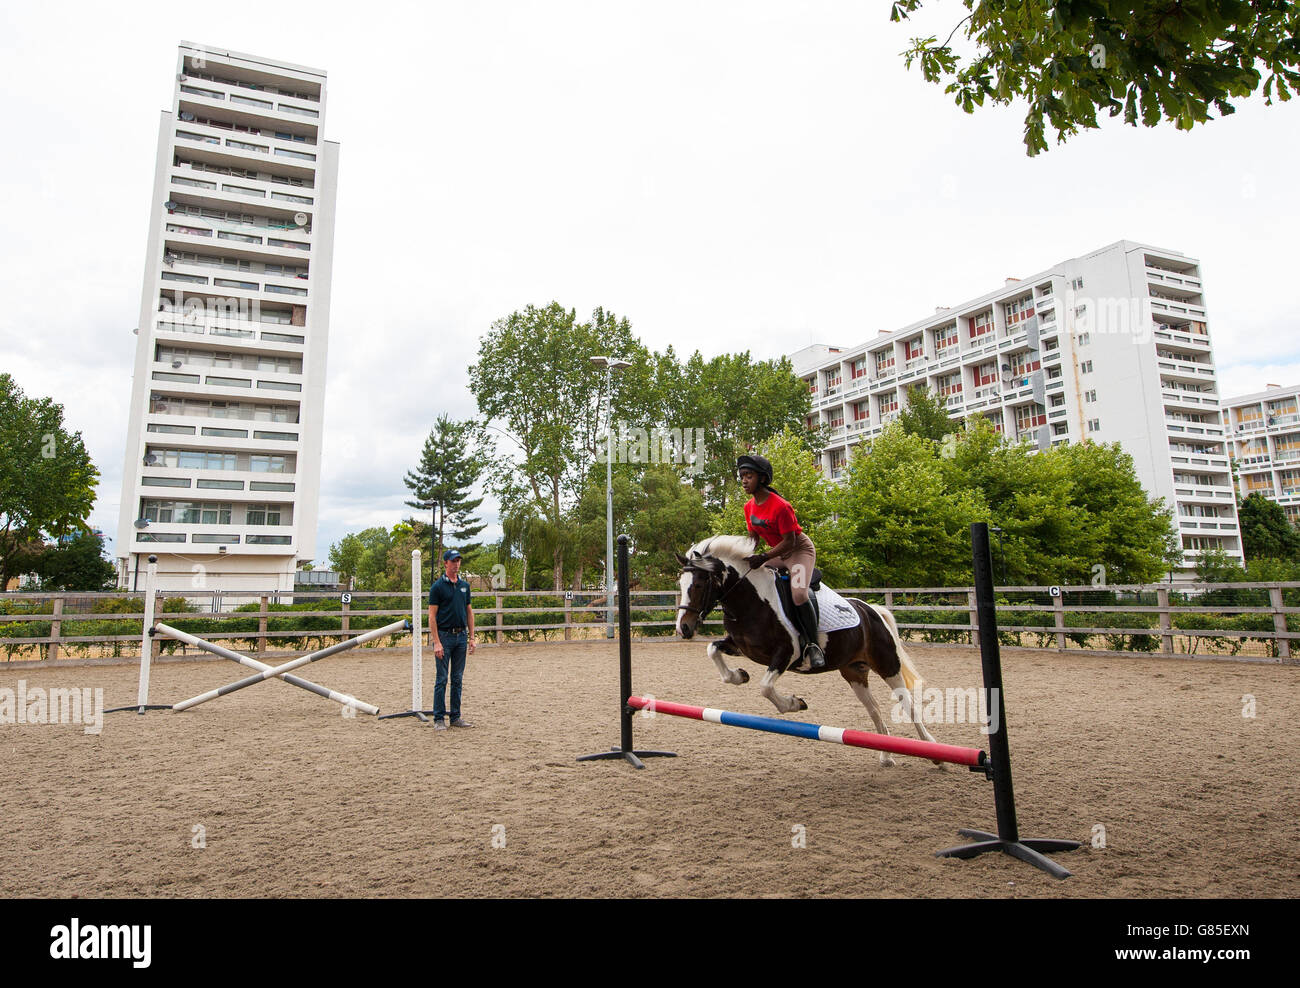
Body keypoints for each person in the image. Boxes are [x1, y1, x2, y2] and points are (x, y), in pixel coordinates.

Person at [736, 453, 824, 670]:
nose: (744, 480)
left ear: (762, 478)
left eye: (749, 476)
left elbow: (790, 541)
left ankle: (813, 645)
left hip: (798, 551)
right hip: (776, 554)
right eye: (742, 476)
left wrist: (764, 557)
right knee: (751, 580)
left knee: (799, 594)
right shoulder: (749, 507)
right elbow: (753, 539)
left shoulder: (781, 506)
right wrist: (744, 557)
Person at [428, 548, 476, 730]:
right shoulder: (438, 587)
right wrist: (437, 641)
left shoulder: (465, 586)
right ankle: (439, 718)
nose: (456, 564)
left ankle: (455, 716)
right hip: (445, 636)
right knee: (441, 679)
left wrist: (472, 637)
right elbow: (432, 616)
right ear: (446, 563)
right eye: (453, 561)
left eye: (458, 561)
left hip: (461, 636)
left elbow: (469, 611)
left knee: (457, 678)